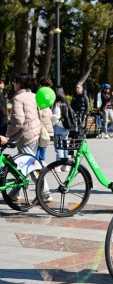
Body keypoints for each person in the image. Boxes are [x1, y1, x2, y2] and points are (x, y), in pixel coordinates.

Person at [1, 73, 52, 201]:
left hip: (26, 135)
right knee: (25, 164)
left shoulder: (18, 98)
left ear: (19, 84)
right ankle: (14, 194)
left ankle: (45, 193)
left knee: (31, 164)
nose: (13, 84)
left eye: (14, 82)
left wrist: (8, 134)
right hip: (34, 133)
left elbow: (18, 120)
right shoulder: (34, 96)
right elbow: (45, 113)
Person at [35, 77, 54, 165]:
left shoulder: (38, 95)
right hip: (46, 125)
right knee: (43, 144)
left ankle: (38, 162)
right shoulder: (48, 96)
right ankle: (41, 161)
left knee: (39, 145)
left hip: (41, 125)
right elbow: (50, 114)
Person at [51, 90, 71, 172]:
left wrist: (51, 120)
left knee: (59, 147)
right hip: (66, 128)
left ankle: (58, 165)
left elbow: (56, 116)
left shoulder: (57, 104)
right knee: (66, 146)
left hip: (58, 127)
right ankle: (67, 165)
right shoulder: (66, 103)